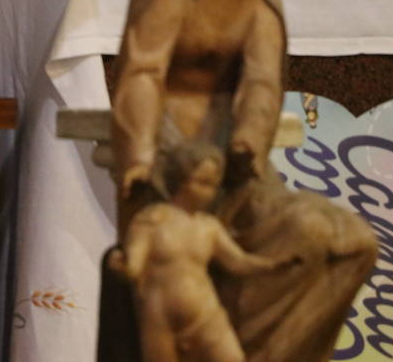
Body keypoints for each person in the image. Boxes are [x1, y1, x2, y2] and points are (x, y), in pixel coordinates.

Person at [108, 0, 377, 362]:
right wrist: (140, 160)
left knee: (349, 244)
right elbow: (141, 72)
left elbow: (261, 78)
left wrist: (248, 146)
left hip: (238, 160)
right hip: (173, 161)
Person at [109, 143, 289, 362]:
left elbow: (238, 262)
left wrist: (272, 264)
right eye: (203, 183)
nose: (209, 192)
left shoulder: (209, 226)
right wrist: (121, 265)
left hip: (205, 313)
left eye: (214, 185)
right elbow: (134, 265)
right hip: (160, 318)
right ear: (180, 180)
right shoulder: (152, 221)